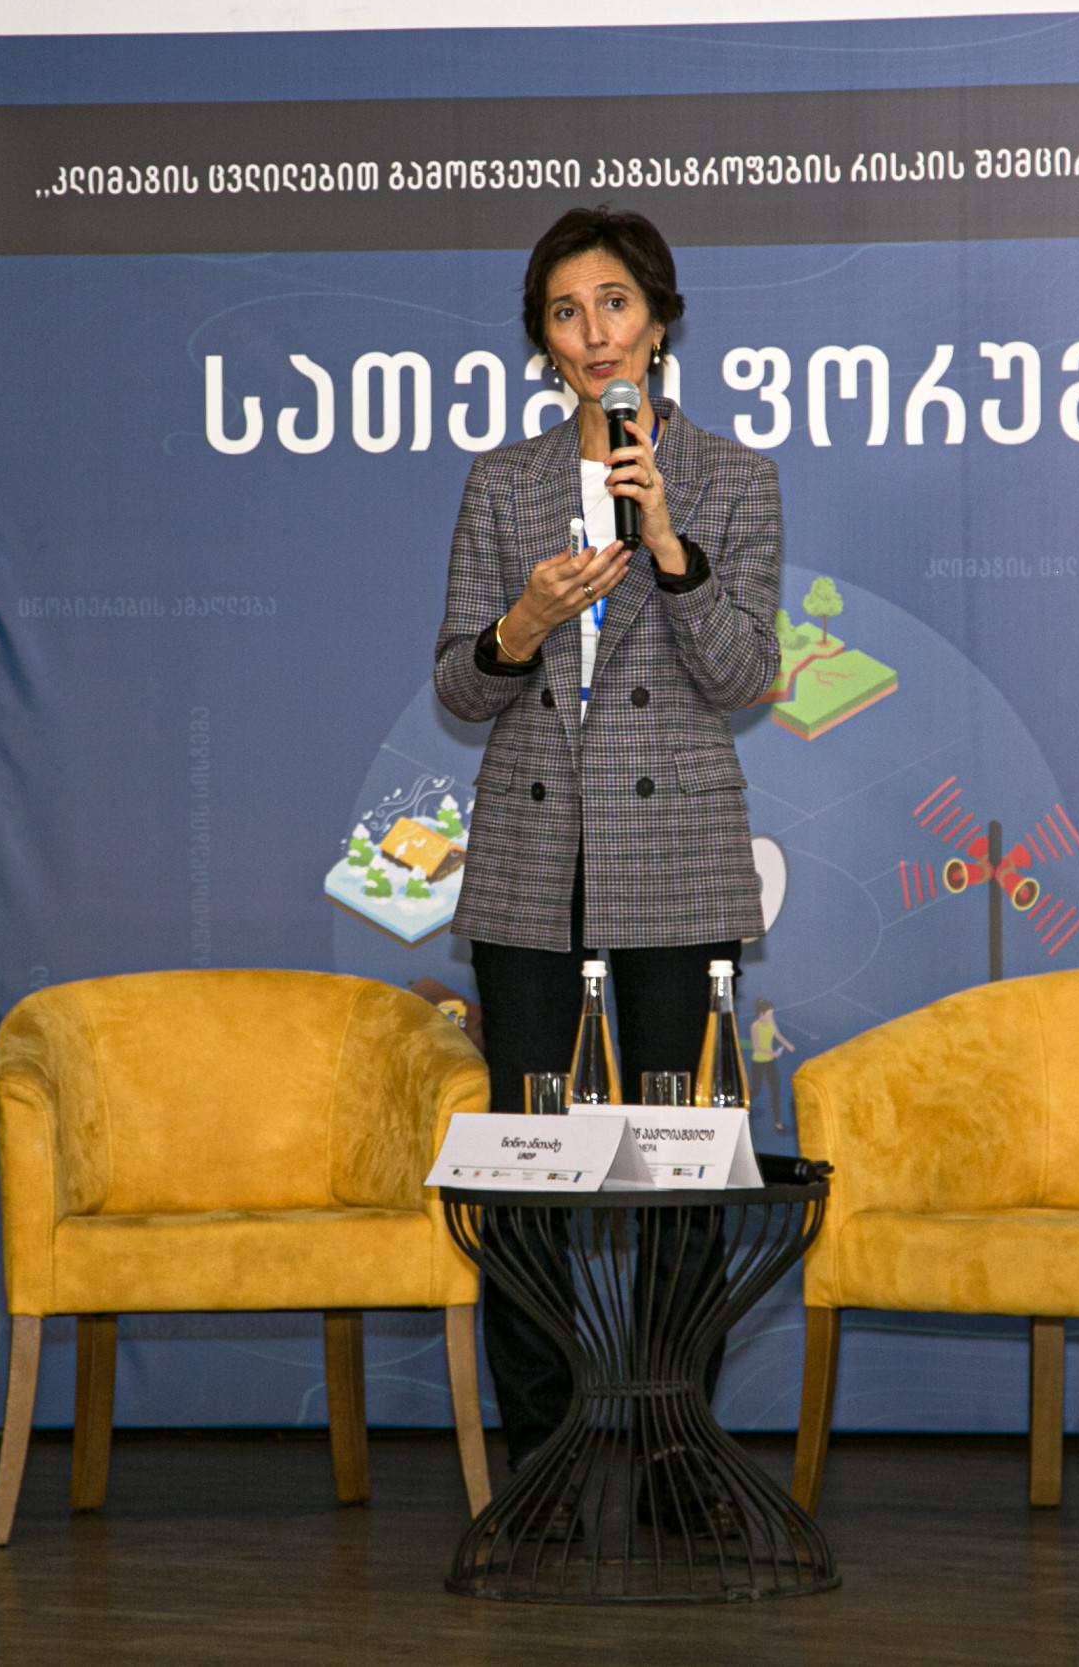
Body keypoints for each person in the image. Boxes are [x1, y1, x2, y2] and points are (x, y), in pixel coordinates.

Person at [432, 206, 782, 1479]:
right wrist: (520, 623)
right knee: (530, 1177)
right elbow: (459, 686)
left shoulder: (734, 478)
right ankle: (541, 1464)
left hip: (676, 857)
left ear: (660, 319)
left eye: (615, 304)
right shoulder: (502, 482)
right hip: (531, 865)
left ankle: (678, 1459)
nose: (594, 333)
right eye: (566, 311)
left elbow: (745, 674)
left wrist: (672, 550)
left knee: (682, 1175)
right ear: (543, 338)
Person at [747, 997, 795, 1132]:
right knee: (756, 1090)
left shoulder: (771, 1022)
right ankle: (740, 1105)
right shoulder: (754, 1026)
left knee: (775, 1091)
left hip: (770, 1062)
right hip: (758, 1063)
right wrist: (772, 1053)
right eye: (769, 1014)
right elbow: (756, 1047)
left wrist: (788, 1045)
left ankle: (777, 1122)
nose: (771, 1017)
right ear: (761, 1015)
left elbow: (777, 1035)